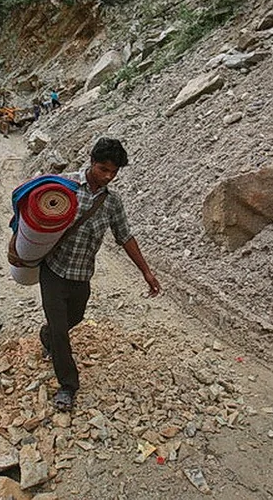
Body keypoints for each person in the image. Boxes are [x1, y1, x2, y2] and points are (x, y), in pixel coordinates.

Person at [38, 138, 161, 412]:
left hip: (82, 274)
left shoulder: (111, 201)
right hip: (54, 269)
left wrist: (146, 272)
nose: (108, 176)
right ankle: (68, 386)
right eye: (103, 169)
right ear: (92, 161)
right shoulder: (64, 185)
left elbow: (125, 236)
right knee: (61, 331)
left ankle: (47, 335)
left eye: (113, 172)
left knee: (75, 317)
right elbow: (35, 211)